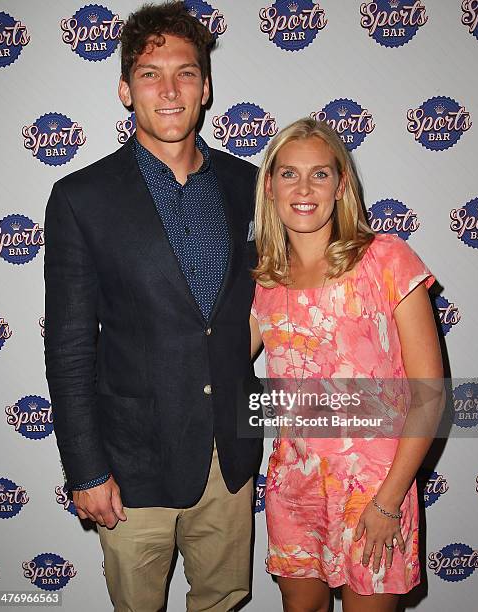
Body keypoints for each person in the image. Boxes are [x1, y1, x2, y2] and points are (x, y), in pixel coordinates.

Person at [44, 3, 262, 611]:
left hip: (229, 457)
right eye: (149, 73)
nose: (169, 90)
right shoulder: (80, 198)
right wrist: (86, 469)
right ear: (125, 89)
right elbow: (67, 347)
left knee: (222, 600)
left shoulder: (252, 186)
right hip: (130, 463)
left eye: (185, 72)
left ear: (207, 86)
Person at [249, 118, 444, 612]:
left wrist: (389, 501)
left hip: (376, 491)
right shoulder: (264, 281)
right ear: (270, 186)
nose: (304, 188)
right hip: (295, 489)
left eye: (319, 174)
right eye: (289, 174)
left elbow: (431, 394)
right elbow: (211, 362)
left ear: (340, 185)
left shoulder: (387, 259)